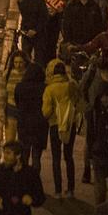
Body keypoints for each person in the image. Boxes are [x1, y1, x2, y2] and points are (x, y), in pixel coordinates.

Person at [41, 58, 81, 197]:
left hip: (55, 125)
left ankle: (58, 190)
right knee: (69, 157)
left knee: (56, 158)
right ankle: (71, 189)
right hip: (70, 124)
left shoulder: (49, 89)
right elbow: (78, 102)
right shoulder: (72, 84)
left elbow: (46, 112)